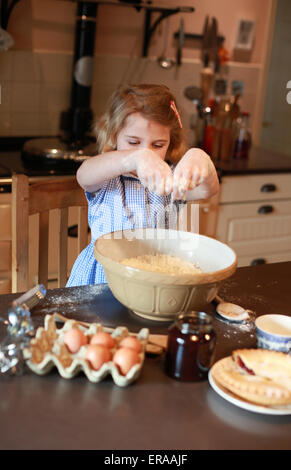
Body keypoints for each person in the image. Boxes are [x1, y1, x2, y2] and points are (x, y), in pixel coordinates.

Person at [66, 84, 219, 287]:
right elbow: (83, 175)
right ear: (113, 136)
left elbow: (208, 189)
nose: (147, 153)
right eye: (133, 142)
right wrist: (134, 158)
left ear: (170, 143)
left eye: (157, 145)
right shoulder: (106, 176)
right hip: (102, 281)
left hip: (153, 280)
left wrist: (201, 159)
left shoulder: (171, 179)